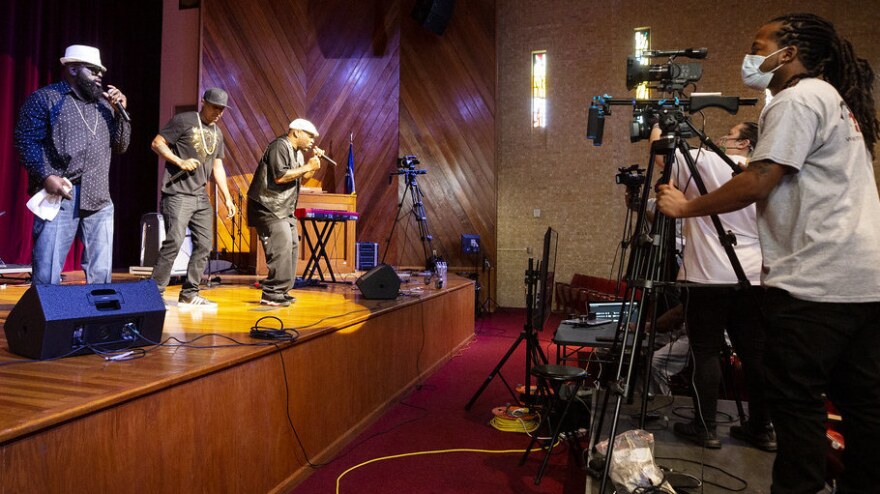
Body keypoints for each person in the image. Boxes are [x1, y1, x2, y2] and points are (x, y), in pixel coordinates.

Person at [657, 13, 880, 493]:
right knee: (864, 409)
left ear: (789, 53)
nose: (752, 55)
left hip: (816, 282)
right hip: (864, 280)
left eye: (759, 45)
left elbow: (759, 181)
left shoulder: (796, 98)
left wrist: (684, 207)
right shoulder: (836, 100)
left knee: (796, 408)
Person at [653, 122, 774, 451]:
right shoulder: (764, 173)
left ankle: (705, 427)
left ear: (745, 142)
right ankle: (762, 428)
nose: (722, 138)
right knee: (755, 354)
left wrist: (654, 123)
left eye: (730, 134)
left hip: (707, 276)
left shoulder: (710, 161)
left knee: (705, 352)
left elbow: (664, 156)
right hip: (753, 278)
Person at [14, 44, 131, 285]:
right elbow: (25, 141)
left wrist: (121, 113)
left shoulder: (105, 106)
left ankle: (99, 320)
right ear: (74, 69)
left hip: (99, 194)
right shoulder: (46, 99)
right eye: (93, 70)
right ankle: (47, 320)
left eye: (101, 71)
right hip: (62, 193)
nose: (99, 75)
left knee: (101, 272)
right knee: (47, 269)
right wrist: (46, 176)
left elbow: (121, 146)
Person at [150, 88, 237, 307]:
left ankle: (189, 293)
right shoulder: (184, 120)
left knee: (205, 245)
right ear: (203, 102)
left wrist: (227, 198)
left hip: (200, 196)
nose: (218, 112)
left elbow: (218, 166)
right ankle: (154, 293)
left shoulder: (218, 133)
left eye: (222, 109)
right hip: (178, 193)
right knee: (175, 242)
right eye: (215, 107)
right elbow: (157, 143)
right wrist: (179, 162)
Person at [247, 119, 324, 307]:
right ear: (296, 132)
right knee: (280, 249)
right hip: (268, 206)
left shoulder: (297, 152)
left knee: (291, 248)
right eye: (310, 136)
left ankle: (282, 290)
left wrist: (313, 166)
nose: (312, 140)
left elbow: (301, 178)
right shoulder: (279, 146)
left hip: (284, 209)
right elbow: (280, 176)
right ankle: (271, 293)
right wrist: (308, 166)